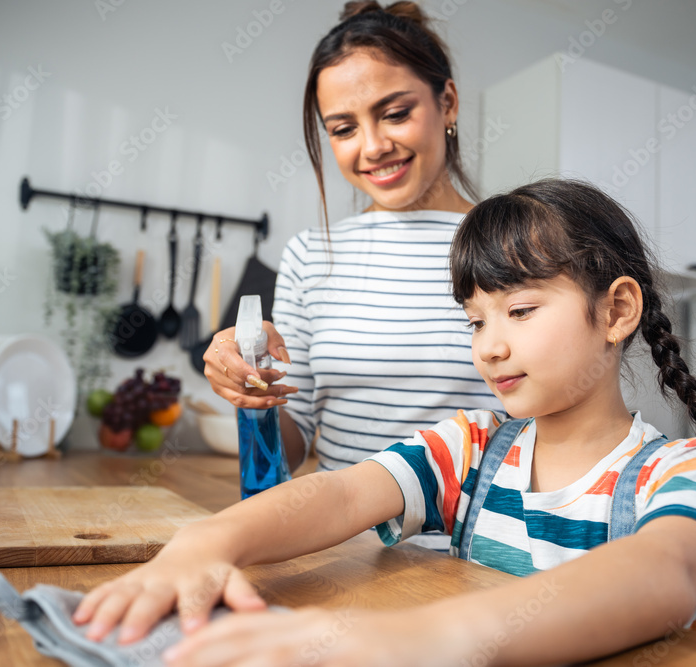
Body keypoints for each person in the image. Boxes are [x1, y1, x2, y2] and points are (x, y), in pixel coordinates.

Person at [74, 179, 696, 666]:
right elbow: (338, 496)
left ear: (616, 310)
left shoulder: (692, 470)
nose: (490, 344)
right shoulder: (469, 446)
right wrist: (205, 542)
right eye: (475, 320)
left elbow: (659, 576)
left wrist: (414, 641)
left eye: (522, 311)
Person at [202, 1, 502, 489]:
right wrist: (249, 389)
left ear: (447, 102)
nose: (373, 146)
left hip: (478, 550)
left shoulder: (512, 242)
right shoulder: (308, 255)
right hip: (342, 549)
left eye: (396, 113)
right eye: (343, 129)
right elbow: (291, 446)